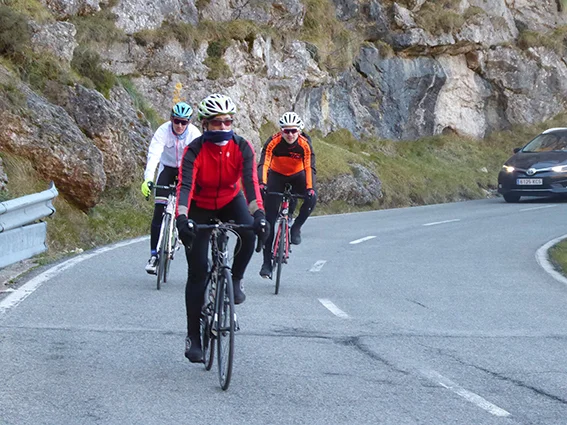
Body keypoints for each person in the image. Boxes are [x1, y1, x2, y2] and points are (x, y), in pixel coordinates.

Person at [175, 93, 269, 363]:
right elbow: (184, 186)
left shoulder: (242, 147)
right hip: (200, 204)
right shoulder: (193, 150)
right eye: (217, 123)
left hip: (230, 199)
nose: (223, 127)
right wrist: (182, 217)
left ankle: (235, 278)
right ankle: (194, 336)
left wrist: (260, 215)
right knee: (197, 272)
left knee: (249, 232)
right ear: (205, 124)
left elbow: (250, 184)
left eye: (228, 122)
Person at [141, 102, 202, 274]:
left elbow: (199, 160)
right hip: (167, 169)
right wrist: (148, 179)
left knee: (189, 208)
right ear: (171, 119)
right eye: (177, 121)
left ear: (189, 122)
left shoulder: (194, 134)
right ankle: (154, 256)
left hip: (185, 170)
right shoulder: (163, 131)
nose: (180, 125)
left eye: (184, 122)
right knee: (158, 211)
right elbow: (154, 155)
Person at [257, 112, 317, 279]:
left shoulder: (305, 144)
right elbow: (264, 163)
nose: (290, 134)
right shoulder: (273, 141)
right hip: (276, 176)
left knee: (312, 198)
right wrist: (262, 183)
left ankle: (296, 227)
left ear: (299, 131)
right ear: (281, 130)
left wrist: (310, 188)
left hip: (298, 176)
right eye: (286, 131)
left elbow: (309, 167)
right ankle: (266, 263)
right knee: (269, 221)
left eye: (293, 131)